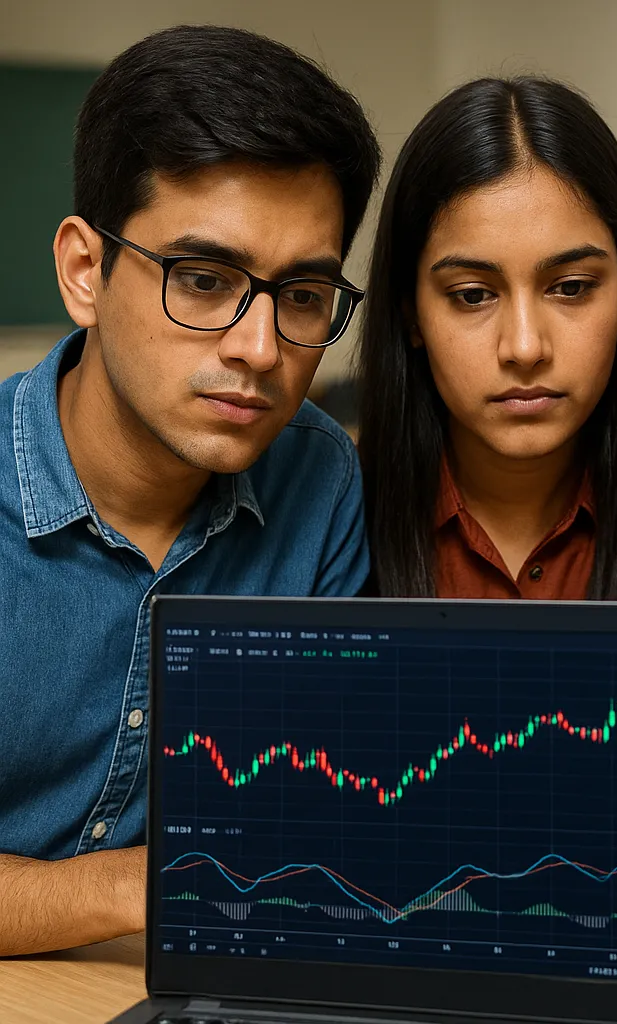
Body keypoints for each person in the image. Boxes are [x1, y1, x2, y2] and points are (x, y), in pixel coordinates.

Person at [0, 26, 379, 955]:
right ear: (86, 271)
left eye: (302, 295)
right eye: (204, 280)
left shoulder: (319, 479)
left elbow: (316, 835)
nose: (260, 349)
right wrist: (147, 880)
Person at [356, 77, 617, 601]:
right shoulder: (333, 513)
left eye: (570, 288)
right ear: (411, 314)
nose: (524, 348)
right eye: (473, 295)